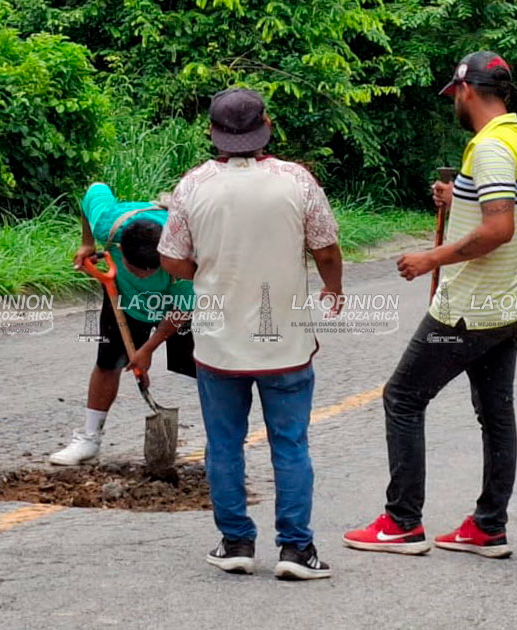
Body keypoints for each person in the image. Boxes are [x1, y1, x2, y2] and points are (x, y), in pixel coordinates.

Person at [342, 51, 517, 559]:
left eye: (455, 95)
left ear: (468, 90)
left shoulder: (492, 147)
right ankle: (488, 526)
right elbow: (501, 210)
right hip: (507, 303)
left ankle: (402, 523)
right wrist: (460, 200)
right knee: (496, 414)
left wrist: (431, 256)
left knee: (402, 398)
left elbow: (499, 228)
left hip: (467, 310)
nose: (454, 103)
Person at [159, 88, 344, 580]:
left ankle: (236, 541)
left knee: (224, 445)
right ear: (266, 125)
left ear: (213, 134)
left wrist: (210, 265)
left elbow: (172, 260)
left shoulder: (193, 185)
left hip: (218, 346)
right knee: (291, 445)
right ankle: (296, 550)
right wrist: (333, 288)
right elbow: (326, 248)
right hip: (286, 345)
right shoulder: (296, 181)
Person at [49, 184, 194, 465]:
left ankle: (221, 444)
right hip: (124, 302)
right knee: (108, 362)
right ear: (119, 251)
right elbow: (93, 190)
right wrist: (87, 243)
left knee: (205, 368)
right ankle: (89, 439)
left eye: (150, 272)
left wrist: (148, 350)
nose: (142, 277)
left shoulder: (184, 256)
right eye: (135, 270)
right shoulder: (109, 224)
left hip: (178, 304)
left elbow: (181, 312)